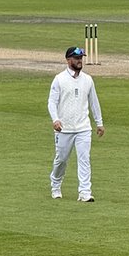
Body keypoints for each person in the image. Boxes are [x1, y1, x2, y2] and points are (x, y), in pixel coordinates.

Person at [48, 44, 104, 202]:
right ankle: (56, 184)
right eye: (77, 58)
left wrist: (99, 123)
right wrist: (55, 119)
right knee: (61, 160)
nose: (80, 61)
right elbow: (52, 102)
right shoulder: (59, 79)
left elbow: (94, 102)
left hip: (83, 128)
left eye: (81, 58)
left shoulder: (88, 80)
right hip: (64, 129)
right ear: (68, 60)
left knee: (84, 159)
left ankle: (85, 192)